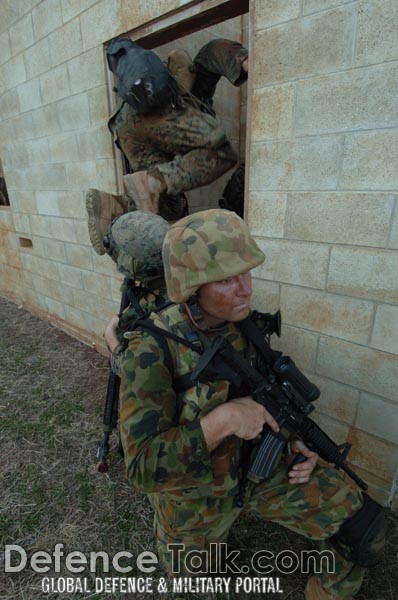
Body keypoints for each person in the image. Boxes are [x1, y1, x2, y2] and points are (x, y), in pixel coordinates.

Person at [109, 209, 385, 599]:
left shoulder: (242, 323)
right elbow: (141, 469)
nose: (245, 289)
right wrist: (220, 421)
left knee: (362, 525)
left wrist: (294, 442)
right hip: (196, 498)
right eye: (226, 279)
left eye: (245, 272)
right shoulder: (152, 348)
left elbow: (266, 394)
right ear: (193, 286)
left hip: (261, 467)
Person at [87, 39, 248, 256]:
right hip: (150, 119)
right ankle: (151, 182)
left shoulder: (167, 92)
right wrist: (244, 58)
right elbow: (212, 49)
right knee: (222, 154)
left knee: (166, 202)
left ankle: (114, 207)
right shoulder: (195, 87)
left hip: (124, 125)